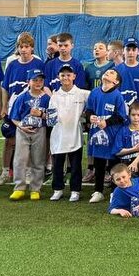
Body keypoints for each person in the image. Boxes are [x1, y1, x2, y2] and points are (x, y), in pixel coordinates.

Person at [0, 32, 44, 186]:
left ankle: (28, 172)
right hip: (13, 108)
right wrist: (4, 106)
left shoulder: (38, 63)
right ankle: (5, 172)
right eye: (21, 47)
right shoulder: (12, 64)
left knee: (30, 140)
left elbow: (43, 86)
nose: (23, 50)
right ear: (17, 48)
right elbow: (5, 87)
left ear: (32, 48)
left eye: (27, 47)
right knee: (9, 141)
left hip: (31, 109)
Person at [83, 68, 128, 203]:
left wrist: (107, 122)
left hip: (113, 135)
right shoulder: (95, 92)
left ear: (116, 82)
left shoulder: (117, 96)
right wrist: (90, 117)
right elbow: (89, 109)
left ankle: (115, 191)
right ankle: (98, 191)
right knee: (99, 162)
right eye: (107, 72)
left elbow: (121, 116)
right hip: (97, 133)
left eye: (112, 73)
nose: (108, 73)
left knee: (114, 163)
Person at [47, 63, 90, 201]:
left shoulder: (83, 94)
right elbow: (51, 119)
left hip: (75, 135)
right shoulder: (55, 96)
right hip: (58, 136)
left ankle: (75, 190)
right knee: (58, 165)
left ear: (74, 76)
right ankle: (58, 189)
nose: (66, 77)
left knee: (76, 165)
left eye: (68, 75)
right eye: (63, 75)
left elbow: (96, 99)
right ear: (58, 77)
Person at [8, 69, 50, 201]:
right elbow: (14, 117)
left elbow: (52, 117)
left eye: (41, 80)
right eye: (35, 80)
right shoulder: (22, 97)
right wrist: (21, 126)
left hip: (40, 130)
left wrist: (41, 114)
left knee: (38, 159)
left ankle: (35, 188)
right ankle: (19, 188)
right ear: (28, 82)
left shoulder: (47, 98)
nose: (38, 83)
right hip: (22, 131)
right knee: (20, 159)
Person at [114, 37, 139, 114]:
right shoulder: (116, 70)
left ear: (138, 52)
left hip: (138, 115)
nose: (130, 52)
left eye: (134, 50)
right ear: (123, 51)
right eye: (128, 49)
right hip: (120, 114)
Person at [113, 102, 139, 176]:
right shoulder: (123, 130)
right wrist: (134, 149)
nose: (136, 117)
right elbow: (117, 151)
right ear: (129, 115)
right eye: (133, 115)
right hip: (124, 161)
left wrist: (135, 162)